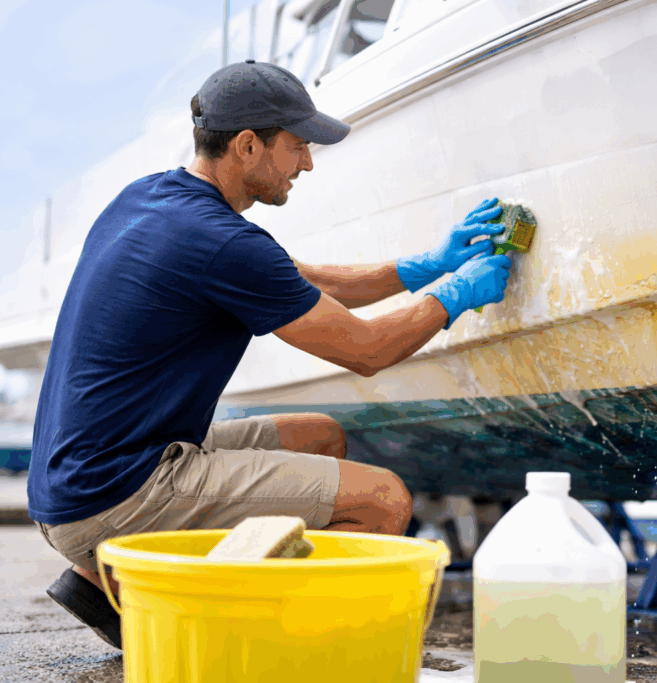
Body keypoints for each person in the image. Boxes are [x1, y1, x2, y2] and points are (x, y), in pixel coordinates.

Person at [27, 60, 513, 650]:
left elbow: (297, 277)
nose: (306, 163)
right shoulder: (223, 242)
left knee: (322, 436)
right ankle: (297, 651)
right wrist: (455, 295)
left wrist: (420, 269)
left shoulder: (151, 199)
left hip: (75, 481)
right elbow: (368, 350)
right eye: (298, 146)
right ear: (248, 144)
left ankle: (100, 581)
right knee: (383, 500)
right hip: (118, 491)